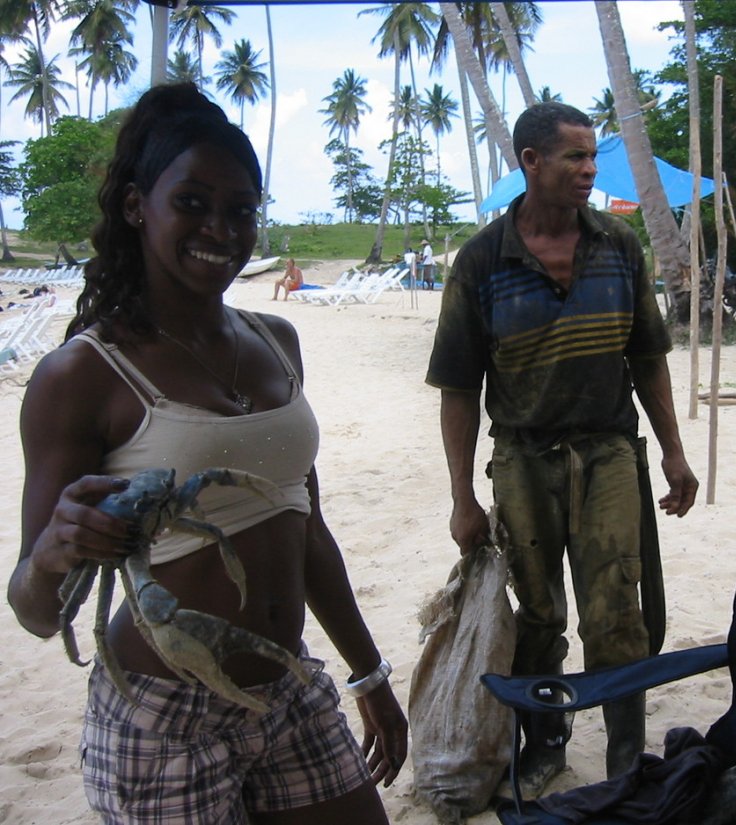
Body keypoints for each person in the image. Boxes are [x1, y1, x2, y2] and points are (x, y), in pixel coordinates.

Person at [7, 83, 407, 823]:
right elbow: (36, 610)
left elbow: (307, 525)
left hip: (287, 687)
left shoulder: (275, 342)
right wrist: (57, 550)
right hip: (163, 716)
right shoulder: (83, 373)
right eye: (191, 202)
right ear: (137, 207)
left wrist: (369, 671)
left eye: (242, 209)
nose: (220, 228)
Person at [426, 102, 698, 794]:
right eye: (575, 156)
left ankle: (626, 757)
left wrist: (672, 451)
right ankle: (546, 743)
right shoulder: (482, 261)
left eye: (591, 155)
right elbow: (457, 390)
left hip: (610, 450)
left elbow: (647, 357)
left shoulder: (618, 245)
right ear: (531, 162)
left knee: (617, 611)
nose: (588, 169)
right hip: (521, 457)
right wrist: (463, 497)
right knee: (539, 615)